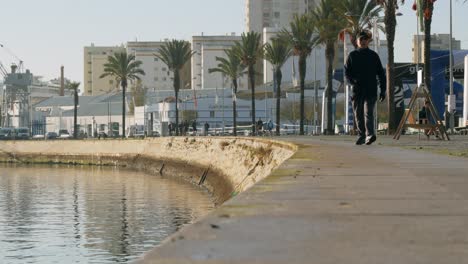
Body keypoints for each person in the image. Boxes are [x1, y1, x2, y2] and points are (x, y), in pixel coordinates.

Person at [345, 30, 386, 145]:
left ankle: (370, 135)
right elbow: (347, 73)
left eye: (365, 40)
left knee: (368, 112)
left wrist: (383, 90)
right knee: (358, 113)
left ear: (368, 41)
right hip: (357, 91)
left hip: (371, 89)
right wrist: (353, 82)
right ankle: (362, 134)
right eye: (361, 40)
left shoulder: (374, 56)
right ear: (357, 42)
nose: (363, 42)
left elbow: (381, 74)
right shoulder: (352, 56)